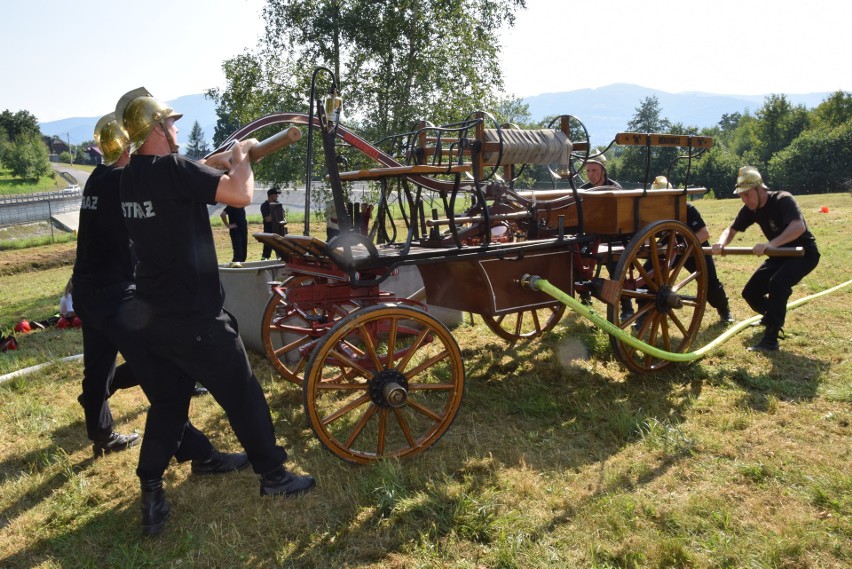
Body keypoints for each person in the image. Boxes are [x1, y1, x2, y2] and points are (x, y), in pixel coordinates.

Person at [117, 88, 315, 535]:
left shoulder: (130, 176)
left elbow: (186, 181)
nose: (176, 129)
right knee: (243, 393)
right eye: (170, 124)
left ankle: (151, 487)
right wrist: (242, 157)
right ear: (154, 130)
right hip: (197, 316)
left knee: (168, 404)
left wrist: (215, 162)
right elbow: (240, 196)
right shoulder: (173, 169)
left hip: (154, 316)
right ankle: (274, 476)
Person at [72, 112, 235, 471]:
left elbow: (161, 179)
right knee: (161, 378)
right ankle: (199, 454)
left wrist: (206, 162)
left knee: (98, 366)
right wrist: (209, 166)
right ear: (129, 145)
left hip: (87, 290)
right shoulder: (122, 180)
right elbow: (167, 182)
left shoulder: (97, 179)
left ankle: (100, 432)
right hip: (116, 296)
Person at [711, 166, 820, 351]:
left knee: (778, 284)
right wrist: (721, 242)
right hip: (780, 255)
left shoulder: (783, 199)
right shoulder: (750, 209)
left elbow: (798, 227)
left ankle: (771, 339)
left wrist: (771, 245)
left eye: (748, 195)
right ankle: (771, 316)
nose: (745, 200)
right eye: (742, 196)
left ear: (760, 189)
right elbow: (731, 229)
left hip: (804, 253)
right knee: (750, 292)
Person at [651, 176, 733, 323]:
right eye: (657, 198)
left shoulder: (688, 208)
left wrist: (685, 246)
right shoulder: (653, 212)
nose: (661, 201)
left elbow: (704, 234)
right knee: (649, 278)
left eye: (664, 197)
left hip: (694, 250)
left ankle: (724, 309)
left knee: (710, 283)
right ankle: (644, 314)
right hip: (669, 252)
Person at [579, 153, 632, 319]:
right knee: (576, 257)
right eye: (588, 171)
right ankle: (584, 297)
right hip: (593, 236)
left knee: (614, 268)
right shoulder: (584, 190)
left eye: (594, 170)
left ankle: (627, 308)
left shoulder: (614, 189)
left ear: (603, 170)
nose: (591, 174)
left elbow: (622, 217)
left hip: (615, 237)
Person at [260, 187, 286, 259]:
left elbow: (283, 215)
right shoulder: (264, 205)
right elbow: (267, 219)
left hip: (278, 231)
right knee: (267, 250)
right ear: (271, 195)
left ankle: (280, 262)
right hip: (269, 231)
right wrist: (277, 216)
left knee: (280, 249)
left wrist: (273, 217)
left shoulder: (278, 204)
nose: (277, 196)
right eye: (276, 195)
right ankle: (264, 263)